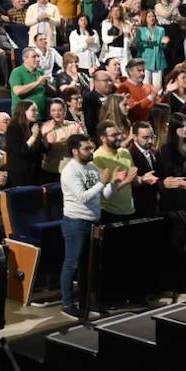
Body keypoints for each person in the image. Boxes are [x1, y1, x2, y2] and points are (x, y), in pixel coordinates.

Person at [60, 134, 133, 317]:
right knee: (72, 264)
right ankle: (67, 304)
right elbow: (83, 197)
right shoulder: (70, 171)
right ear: (75, 151)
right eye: (86, 149)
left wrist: (117, 182)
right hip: (76, 222)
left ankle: (87, 302)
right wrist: (102, 182)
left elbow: (104, 195)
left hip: (93, 221)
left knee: (89, 265)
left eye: (91, 147)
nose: (91, 151)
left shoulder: (92, 166)